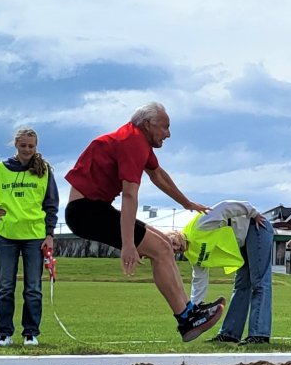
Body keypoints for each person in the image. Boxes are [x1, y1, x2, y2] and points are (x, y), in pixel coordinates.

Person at [63, 102, 221, 341]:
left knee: (165, 246)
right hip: (85, 212)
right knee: (159, 249)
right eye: (165, 127)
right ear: (148, 125)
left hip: (93, 208)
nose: (168, 134)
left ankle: (189, 312)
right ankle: (186, 318)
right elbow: (129, 195)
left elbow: (158, 175)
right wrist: (128, 245)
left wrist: (186, 202)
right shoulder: (132, 142)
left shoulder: (137, 140)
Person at [0, 127, 60, 347]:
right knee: (6, 287)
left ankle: (30, 333)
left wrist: (49, 234)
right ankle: (4, 333)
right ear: (16, 145)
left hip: (35, 237)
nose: (27, 149)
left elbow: (51, 204)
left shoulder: (44, 170)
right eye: (23, 145)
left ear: (36, 147)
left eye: (31, 146)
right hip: (7, 236)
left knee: (33, 288)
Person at [181, 200, 276, 345]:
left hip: (255, 226)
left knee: (259, 282)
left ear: (175, 233)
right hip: (242, 242)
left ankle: (259, 335)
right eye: (173, 249)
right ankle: (230, 334)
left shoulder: (199, 226)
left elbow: (225, 206)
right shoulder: (191, 253)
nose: (175, 246)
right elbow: (199, 280)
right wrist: (195, 307)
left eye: (172, 241)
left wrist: (254, 213)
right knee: (241, 286)